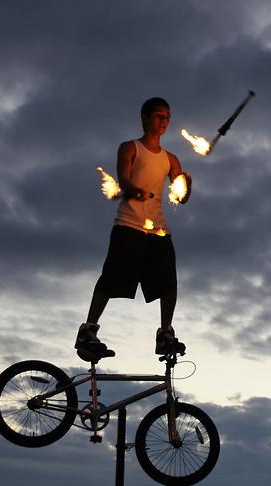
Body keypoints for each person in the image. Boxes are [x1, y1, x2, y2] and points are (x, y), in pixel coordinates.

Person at [76, 97, 193, 361]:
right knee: (112, 278)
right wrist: (132, 189)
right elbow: (124, 179)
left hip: (158, 230)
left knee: (168, 282)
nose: (163, 121)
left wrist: (187, 185)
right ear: (144, 117)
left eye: (167, 117)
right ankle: (88, 331)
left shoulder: (171, 159)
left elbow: (180, 197)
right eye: (158, 116)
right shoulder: (130, 148)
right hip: (129, 225)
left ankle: (165, 334)